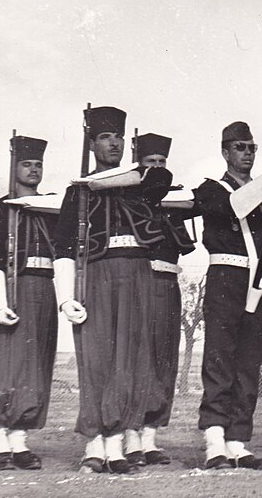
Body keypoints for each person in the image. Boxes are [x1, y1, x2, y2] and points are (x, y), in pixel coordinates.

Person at [53, 106, 172, 474]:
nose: (114, 143)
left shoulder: (141, 181)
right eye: (105, 137)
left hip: (137, 273)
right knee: (96, 361)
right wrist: (66, 298)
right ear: (92, 144)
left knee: (130, 362)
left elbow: (160, 178)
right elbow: (63, 247)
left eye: (118, 137)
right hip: (97, 274)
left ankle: (117, 446)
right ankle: (93, 444)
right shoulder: (77, 193)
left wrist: (99, 182)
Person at [193, 121, 262, 470]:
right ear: (225, 152)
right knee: (220, 360)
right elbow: (233, 207)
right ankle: (215, 442)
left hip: (259, 283)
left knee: (249, 365)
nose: (246, 153)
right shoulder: (211, 189)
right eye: (239, 147)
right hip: (226, 279)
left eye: (251, 147)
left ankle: (238, 442)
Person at [0, 135, 58, 470]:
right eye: (27, 164)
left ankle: (20, 441)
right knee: (7, 367)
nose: (34, 170)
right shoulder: (1, 208)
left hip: (44, 292)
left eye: (38, 164)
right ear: (15, 167)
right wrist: (0, 303)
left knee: (36, 367)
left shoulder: (52, 207)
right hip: (12, 291)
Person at [124, 132, 195, 469]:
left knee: (164, 361)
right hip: (140, 282)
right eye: (149, 163)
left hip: (168, 283)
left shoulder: (174, 200)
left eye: (161, 163)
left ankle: (150, 438)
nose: (156, 168)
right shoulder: (126, 198)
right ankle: (130, 437)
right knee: (139, 360)